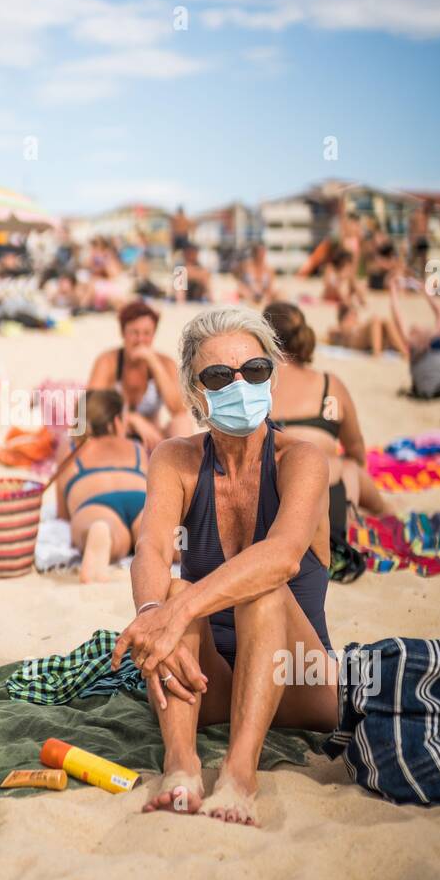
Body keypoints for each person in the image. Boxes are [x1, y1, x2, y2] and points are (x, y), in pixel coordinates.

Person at [111, 306, 337, 827]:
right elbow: (150, 548)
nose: (240, 385)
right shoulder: (175, 458)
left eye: (254, 371)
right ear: (195, 393)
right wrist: (153, 610)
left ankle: (239, 774)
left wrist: (178, 608)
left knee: (258, 589)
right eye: (218, 376)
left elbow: (280, 557)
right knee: (166, 590)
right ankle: (181, 765)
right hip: (209, 681)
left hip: (299, 682)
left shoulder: (302, 459)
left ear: (272, 377)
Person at [264, 302, 390, 518]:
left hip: (272, 500)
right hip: (331, 495)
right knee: (351, 469)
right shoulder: (328, 386)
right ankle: (387, 520)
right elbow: (356, 451)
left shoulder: (257, 386)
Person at [55, 389, 148, 582]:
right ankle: (164, 543)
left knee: (107, 531)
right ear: (115, 422)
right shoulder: (136, 448)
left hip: (96, 504)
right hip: (141, 500)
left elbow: (63, 515)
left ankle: (101, 532)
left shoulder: (71, 449)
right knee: (156, 538)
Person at [88, 300, 193, 447]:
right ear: (123, 333)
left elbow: (178, 409)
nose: (140, 340)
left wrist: (153, 363)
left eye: (146, 333)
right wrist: (132, 418)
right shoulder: (109, 361)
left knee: (182, 422)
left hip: (152, 438)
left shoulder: (164, 362)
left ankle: (181, 468)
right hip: (117, 435)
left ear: (154, 334)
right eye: (134, 333)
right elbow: (91, 406)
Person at [388, 278, 440, 400]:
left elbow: (439, 312)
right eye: (413, 331)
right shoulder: (415, 345)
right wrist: (393, 291)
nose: (416, 327)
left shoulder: (434, 335)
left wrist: (426, 291)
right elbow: (397, 316)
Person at [327, 301, 409, 358]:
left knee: (386, 321)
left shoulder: (357, 322)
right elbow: (331, 333)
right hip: (355, 340)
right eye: (353, 313)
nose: (355, 315)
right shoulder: (343, 324)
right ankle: (377, 354)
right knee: (375, 319)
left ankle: (404, 352)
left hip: (364, 338)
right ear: (347, 315)